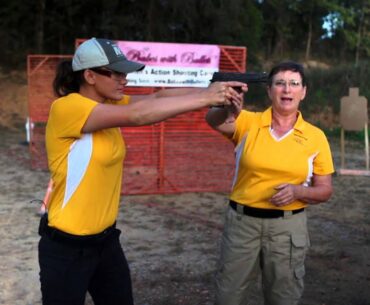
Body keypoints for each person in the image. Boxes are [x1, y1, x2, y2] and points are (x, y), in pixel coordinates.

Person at [38, 37, 247, 305]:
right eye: (115, 73)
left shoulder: (109, 104)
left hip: (106, 242)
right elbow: (138, 115)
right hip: (67, 247)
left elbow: (158, 97)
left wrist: (215, 90)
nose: (123, 78)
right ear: (89, 75)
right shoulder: (67, 107)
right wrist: (206, 97)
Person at [206, 61, 334, 305]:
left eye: (294, 83)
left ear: (303, 92)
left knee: (282, 298)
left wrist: (298, 191)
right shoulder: (248, 122)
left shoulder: (316, 137)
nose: (287, 89)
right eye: (280, 83)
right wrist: (228, 111)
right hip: (242, 226)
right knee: (228, 297)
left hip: (287, 229)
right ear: (269, 90)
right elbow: (213, 120)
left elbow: (325, 190)